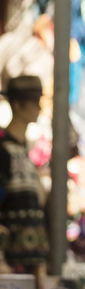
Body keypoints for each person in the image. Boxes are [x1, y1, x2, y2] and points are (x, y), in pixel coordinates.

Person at [0, 75, 49, 273]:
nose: (39, 108)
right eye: (35, 102)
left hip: (29, 265)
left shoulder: (24, 152)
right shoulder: (4, 151)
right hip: (11, 268)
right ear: (19, 105)